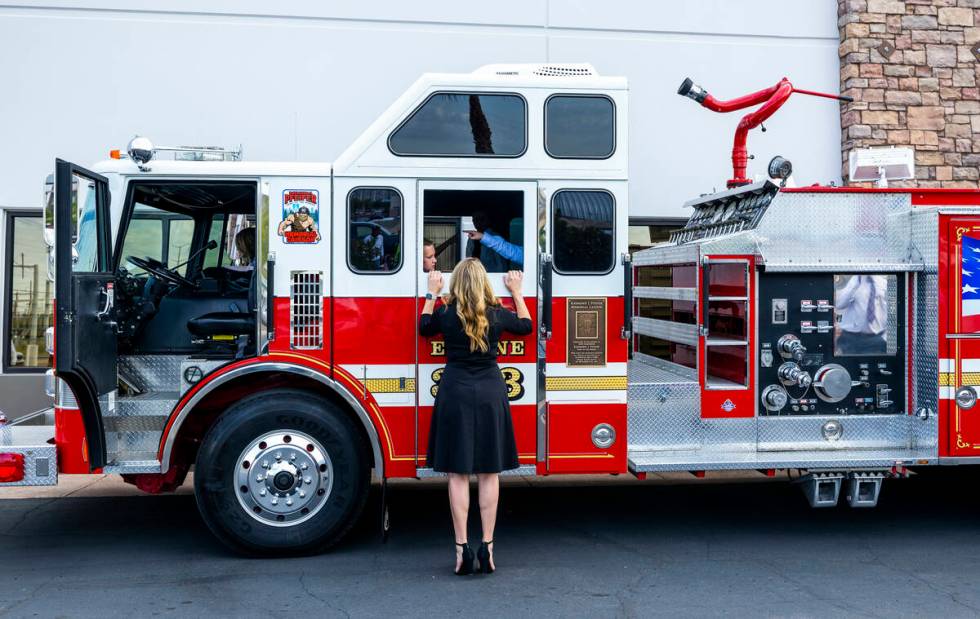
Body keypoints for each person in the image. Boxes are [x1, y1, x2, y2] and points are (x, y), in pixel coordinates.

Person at [419, 259, 532, 576]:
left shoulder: (445, 313)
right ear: (484, 283)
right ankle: (488, 546)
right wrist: (517, 292)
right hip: (490, 393)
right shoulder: (496, 313)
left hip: (454, 391)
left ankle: (460, 548)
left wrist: (431, 293)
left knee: (457, 474)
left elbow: (423, 328)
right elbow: (526, 326)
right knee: (488, 472)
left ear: (455, 283)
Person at [835, 274, 888, 355]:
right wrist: (855, 283)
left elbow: (888, 308)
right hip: (851, 339)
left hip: (877, 339)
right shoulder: (846, 281)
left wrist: (885, 335)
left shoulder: (882, 282)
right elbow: (839, 304)